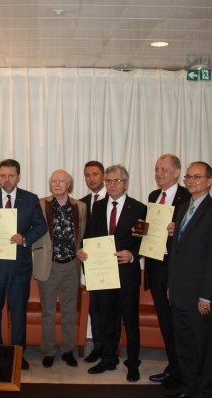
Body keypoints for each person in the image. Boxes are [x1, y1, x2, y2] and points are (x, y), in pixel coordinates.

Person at [0, 159, 47, 370]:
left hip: (19, 268)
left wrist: (25, 238)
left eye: (11, 175)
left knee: (18, 313)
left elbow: (41, 226)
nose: (7, 180)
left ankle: (17, 355)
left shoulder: (30, 199)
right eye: (3, 175)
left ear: (18, 176)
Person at [165, 161, 212, 398]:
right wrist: (171, 284)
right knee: (185, 346)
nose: (191, 181)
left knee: (204, 348)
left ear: (209, 181)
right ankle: (188, 388)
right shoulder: (183, 208)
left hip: (201, 296)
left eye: (197, 177)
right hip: (180, 292)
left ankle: (203, 394)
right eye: (189, 177)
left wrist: (206, 296)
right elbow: (176, 251)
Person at [77, 164, 146, 380]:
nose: (112, 185)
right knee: (107, 319)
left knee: (130, 321)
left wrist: (133, 255)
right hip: (103, 273)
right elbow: (89, 236)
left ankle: (133, 363)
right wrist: (83, 250)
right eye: (109, 181)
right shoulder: (97, 207)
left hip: (127, 273)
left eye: (117, 181)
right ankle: (108, 359)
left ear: (126, 183)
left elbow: (145, 241)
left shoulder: (139, 208)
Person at [143, 154, 190, 389]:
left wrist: (179, 228)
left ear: (177, 172)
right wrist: (141, 231)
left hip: (176, 268)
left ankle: (183, 372)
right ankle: (173, 367)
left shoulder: (187, 197)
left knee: (178, 324)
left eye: (164, 169)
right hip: (156, 266)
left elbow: (194, 234)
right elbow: (150, 229)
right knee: (165, 322)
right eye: (157, 169)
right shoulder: (153, 196)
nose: (159, 173)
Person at [33, 170, 87, 368]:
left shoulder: (80, 207)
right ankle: (48, 350)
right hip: (48, 264)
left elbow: (82, 234)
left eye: (61, 181)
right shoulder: (40, 204)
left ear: (68, 185)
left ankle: (67, 350)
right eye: (54, 181)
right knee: (48, 311)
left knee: (69, 310)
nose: (57, 184)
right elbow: (32, 229)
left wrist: (82, 250)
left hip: (71, 265)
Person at [80, 161, 107, 364]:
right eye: (88, 175)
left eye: (95, 174)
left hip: (112, 264)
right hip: (90, 265)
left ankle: (110, 350)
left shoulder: (114, 199)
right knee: (94, 309)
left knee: (110, 310)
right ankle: (98, 348)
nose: (91, 179)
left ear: (103, 176)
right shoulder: (82, 203)